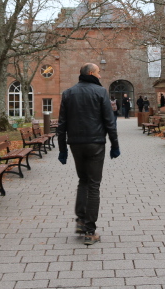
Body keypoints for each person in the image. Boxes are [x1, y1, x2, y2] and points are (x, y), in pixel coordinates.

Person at [57, 63, 120, 245]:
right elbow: (110, 122)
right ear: (91, 73)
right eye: (99, 73)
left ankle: (81, 220)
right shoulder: (100, 92)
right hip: (95, 144)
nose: (100, 76)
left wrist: (62, 150)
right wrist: (114, 145)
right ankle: (89, 231)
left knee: (83, 180)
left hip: (75, 144)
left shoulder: (68, 93)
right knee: (94, 185)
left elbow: (62, 125)